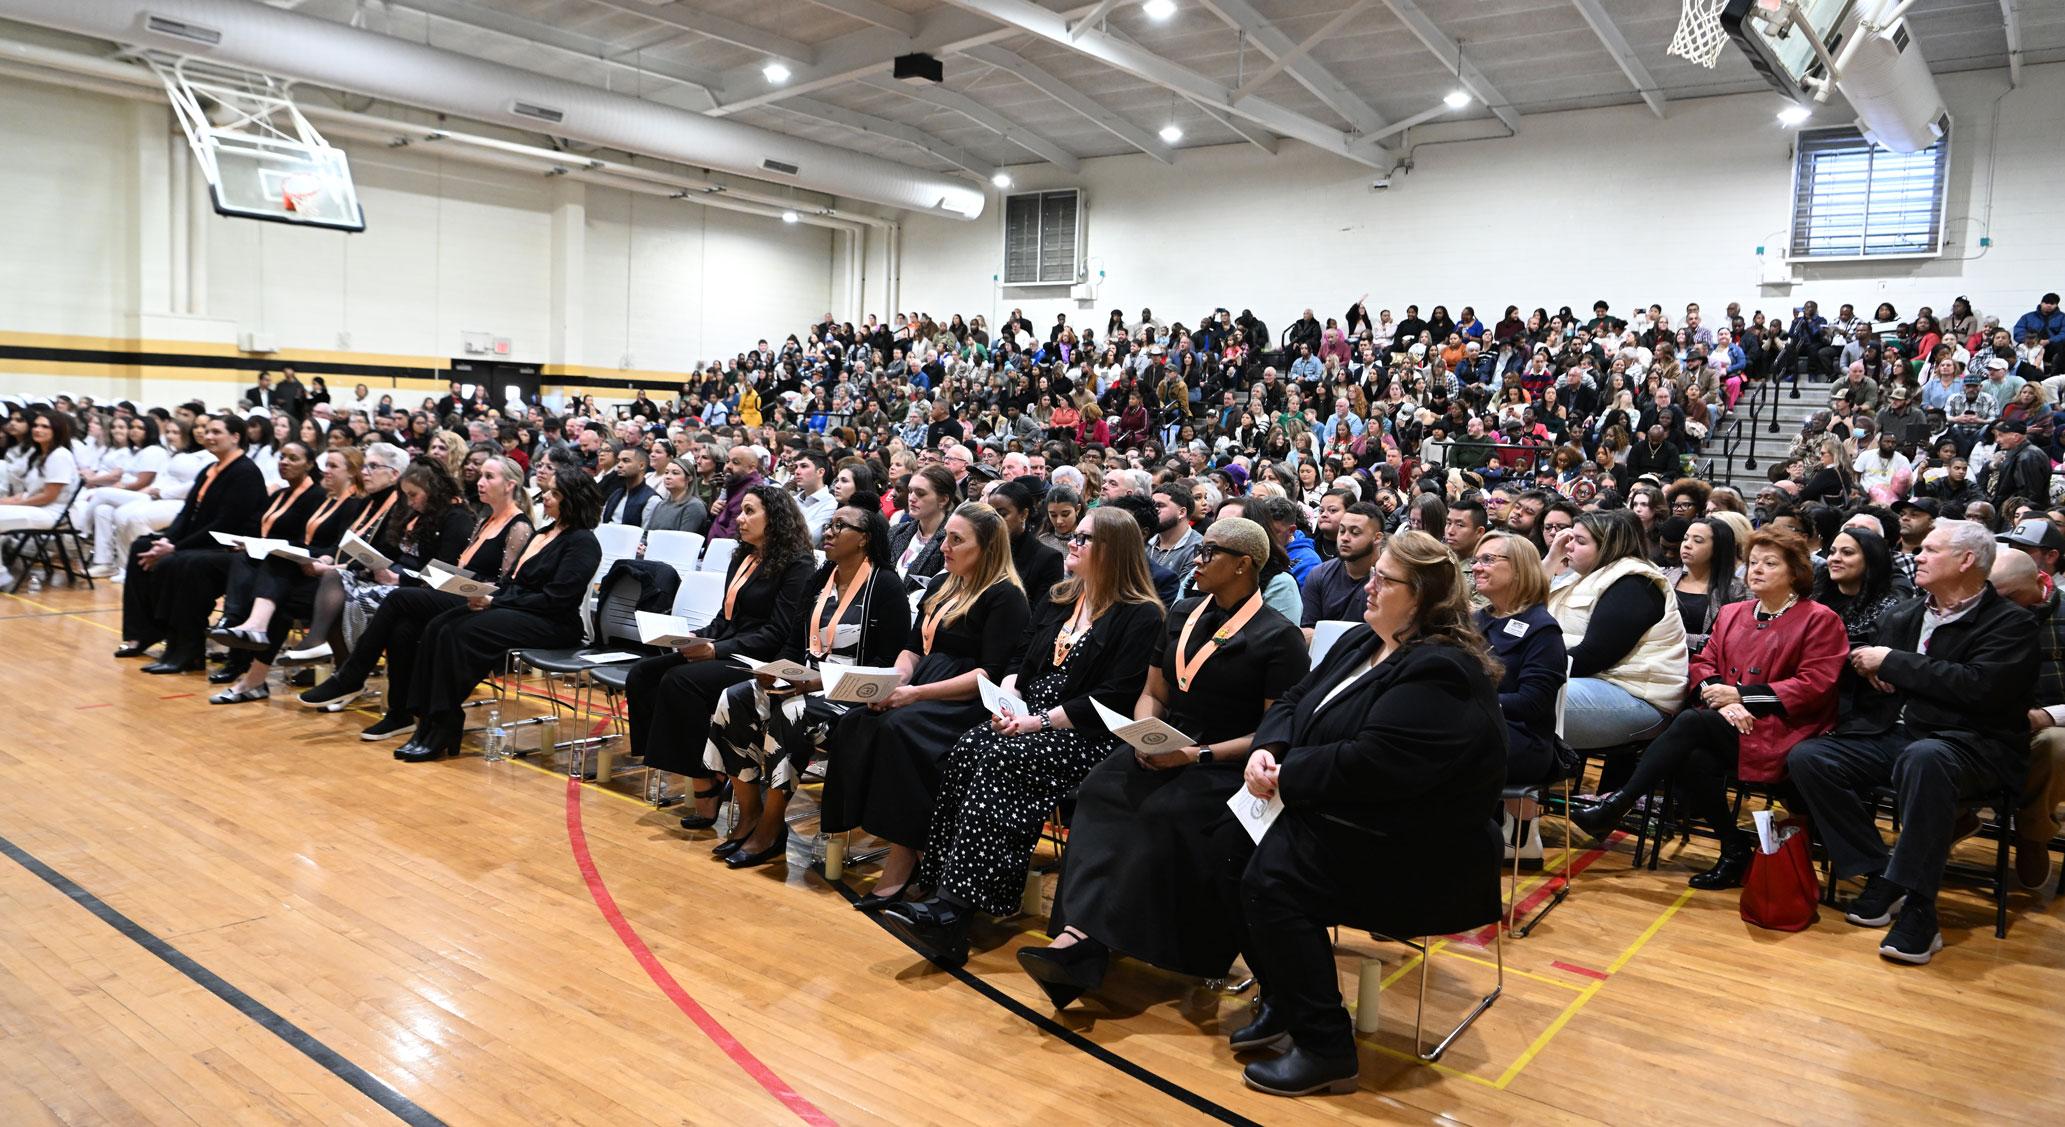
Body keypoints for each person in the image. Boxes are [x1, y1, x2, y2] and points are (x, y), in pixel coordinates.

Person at [1230, 531, 1506, 1097]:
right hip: (1349, 815)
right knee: (1225, 843)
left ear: (1422, 595)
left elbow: (1376, 763)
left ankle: (1326, 1048)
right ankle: (1284, 996)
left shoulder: (1441, 669)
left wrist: (1284, 775)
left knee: (1273, 880)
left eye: (1385, 579)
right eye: (1374, 574)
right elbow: (1294, 699)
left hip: (1417, 846)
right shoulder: (1363, 639)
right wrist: (1269, 747)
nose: (1370, 586)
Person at [1017, 517, 1308, 1007]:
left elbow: (1272, 732)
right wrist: (1145, 734)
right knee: (1100, 789)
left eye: (1209, 552)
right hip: (1164, 742)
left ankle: (1089, 943)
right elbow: (1152, 692)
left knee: (1161, 813)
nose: (1197, 559)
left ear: (1243, 565)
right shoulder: (1183, 612)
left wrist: (1192, 754)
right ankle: (1080, 936)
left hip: (1225, 760)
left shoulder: (1279, 638)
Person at [877, 507, 1165, 965]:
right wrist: (1009, 698)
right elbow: (1019, 659)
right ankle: (938, 887)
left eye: (1084, 538)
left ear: (1114, 550)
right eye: (1076, 536)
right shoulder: (1060, 598)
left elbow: (1114, 695)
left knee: (1001, 759)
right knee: (970, 746)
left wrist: (1038, 721)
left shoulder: (1141, 615)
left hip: (1084, 731)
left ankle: (956, 912)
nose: (1072, 543)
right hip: (1029, 715)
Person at [1788, 520, 2038, 964]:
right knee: (1811, 757)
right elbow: (1867, 655)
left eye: (1931, 550)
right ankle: (1880, 873)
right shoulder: (1904, 614)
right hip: (1898, 734)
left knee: (1926, 759)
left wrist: (1894, 664)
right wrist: (1864, 664)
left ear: (1966, 561)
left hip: (1975, 745)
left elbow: (1978, 687)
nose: (1917, 557)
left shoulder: (2011, 623)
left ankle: (1921, 908)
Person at [1574, 529, 1847, 887]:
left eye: (1770, 563)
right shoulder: (1733, 612)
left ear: (1795, 572)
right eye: (1753, 562)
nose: (1756, 570)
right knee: (1692, 757)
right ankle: (1733, 848)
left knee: (1691, 724)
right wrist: (1722, 700)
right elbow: (1703, 663)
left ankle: (1618, 803)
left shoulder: (1819, 618)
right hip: (1728, 723)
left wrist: (1742, 697)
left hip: (1784, 729)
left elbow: (1814, 683)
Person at [821, 502, 1031, 909]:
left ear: (986, 548)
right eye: (946, 537)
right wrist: (894, 682)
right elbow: (913, 648)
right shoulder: (942, 583)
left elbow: (987, 674)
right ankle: (887, 838)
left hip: (964, 701)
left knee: (897, 731)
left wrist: (914, 694)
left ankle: (905, 859)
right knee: (856, 722)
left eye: (956, 540)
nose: (944, 547)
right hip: (922, 686)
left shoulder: (1006, 597)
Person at [702, 495, 911, 869]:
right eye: (829, 524)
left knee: (791, 713)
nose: (829, 532)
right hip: (804, 682)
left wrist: (816, 683)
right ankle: (749, 813)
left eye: (840, 526)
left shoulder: (886, 586)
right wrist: (778, 670)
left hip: (851, 694)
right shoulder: (820, 579)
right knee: (733, 698)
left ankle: (772, 826)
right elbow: (794, 642)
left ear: (864, 538)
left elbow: (885, 665)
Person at [297, 456, 534, 737]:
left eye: (489, 477)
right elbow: (456, 569)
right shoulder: (485, 520)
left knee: (398, 598)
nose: (480, 482)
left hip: (484, 603)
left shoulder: (518, 526)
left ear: (509, 485)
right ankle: (399, 714)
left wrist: (416, 580)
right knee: (403, 628)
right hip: (458, 590)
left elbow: (507, 585)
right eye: (481, 475)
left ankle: (351, 676)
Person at [622, 485, 817, 817]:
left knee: (680, 681)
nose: (739, 518)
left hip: (761, 658)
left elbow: (778, 632)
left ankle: (705, 779)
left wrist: (715, 649)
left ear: (775, 518)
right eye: (741, 511)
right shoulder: (743, 555)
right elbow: (726, 617)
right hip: (729, 645)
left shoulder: (798, 564)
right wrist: (694, 637)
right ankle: (670, 760)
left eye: (750, 511)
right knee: (643, 674)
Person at [393, 473, 605, 762]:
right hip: (519, 609)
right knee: (438, 626)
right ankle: (426, 719)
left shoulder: (583, 542)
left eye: (554, 494)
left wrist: (495, 601)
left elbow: (555, 600)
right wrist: (482, 593)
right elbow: (511, 582)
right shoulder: (543, 532)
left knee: (461, 633)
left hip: (553, 623)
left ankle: (445, 721)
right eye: (547, 491)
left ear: (574, 501)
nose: (545, 497)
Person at [114, 414, 268, 672]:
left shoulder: (245, 472)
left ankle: (188, 648)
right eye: (207, 432)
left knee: (180, 562)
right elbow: (186, 514)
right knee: (142, 546)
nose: (208, 436)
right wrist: (166, 540)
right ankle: (144, 632)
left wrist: (175, 548)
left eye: (216, 432)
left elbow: (225, 524)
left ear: (235, 437)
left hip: (231, 549)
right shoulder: (210, 469)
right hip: (203, 543)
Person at [1543, 511, 1689, 770]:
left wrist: (1529, 669)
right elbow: (1524, 609)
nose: (1568, 546)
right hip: (1589, 683)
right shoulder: (1582, 576)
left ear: (1609, 546)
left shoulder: (1635, 582)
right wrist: (1552, 558)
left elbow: (1593, 656)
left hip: (1637, 698)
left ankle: (1514, 790)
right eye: (1570, 538)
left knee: (1524, 701)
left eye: (1580, 541)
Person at [1985, 551, 2065, 890]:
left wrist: (2047, 716)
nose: (2002, 606)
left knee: (2057, 745)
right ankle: (1955, 818)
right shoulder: (1980, 609)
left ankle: (2033, 833)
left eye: (2011, 597)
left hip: (2051, 721)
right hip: (1990, 719)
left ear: (2040, 582)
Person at [1469, 533, 1569, 785]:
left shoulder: (1542, 629)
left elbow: (1532, 703)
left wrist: (1470, 704)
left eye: (1487, 559)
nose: (1477, 567)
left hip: (1520, 738)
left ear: (1519, 569)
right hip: (1472, 724)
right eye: (1475, 560)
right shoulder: (1475, 620)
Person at [0, 409, 81, 585]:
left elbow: (48, 497)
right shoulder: (39, 454)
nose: (37, 429)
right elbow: (32, 492)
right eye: (36, 425)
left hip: (53, 513)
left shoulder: (60, 455)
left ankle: (1, 574)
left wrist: (17, 504)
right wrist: (7, 501)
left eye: (45, 427)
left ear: (57, 431)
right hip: (39, 508)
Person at [1663, 517, 1748, 655]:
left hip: (1704, 661)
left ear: (1718, 548)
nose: (1687, 545)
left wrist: (1674, 639)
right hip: (1659, 658)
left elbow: (1734, 639)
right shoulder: (1664, 578)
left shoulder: (1737, 590)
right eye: (1685, 539)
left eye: (1698, 541)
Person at [1300, 502, 1382, 631]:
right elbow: (1307, 631)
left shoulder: (1389, 579)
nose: (1345, 538)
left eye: (1355, 532)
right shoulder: (1319, 574)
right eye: (1342, 530)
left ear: (1377, 538)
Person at [1813, 527, 1902, 646]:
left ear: (1871, 559)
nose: (1835, 558)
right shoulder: (1814, 595)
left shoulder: (1887, 610)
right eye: (1832, 552)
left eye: (1847, 553)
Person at [989, 479, 1063, 606]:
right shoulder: (982, 550)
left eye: (1002, 514)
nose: (995, 521)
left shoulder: (1048, 558)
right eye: (990, 514)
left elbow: (1042, 611)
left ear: (1023, 514)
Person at [889, 464, 954, 581]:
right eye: (910, 491)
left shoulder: (951, 543)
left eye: (920, 493)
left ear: (943, 500)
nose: (911, 498)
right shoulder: (896, 531)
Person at [645, 456, 708, 534]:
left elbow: (683, 538)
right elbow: (647, 534)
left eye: (675, 473)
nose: (668, 477)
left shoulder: (694, 506)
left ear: (689, 478)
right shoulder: (660, 505)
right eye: (666, 472)